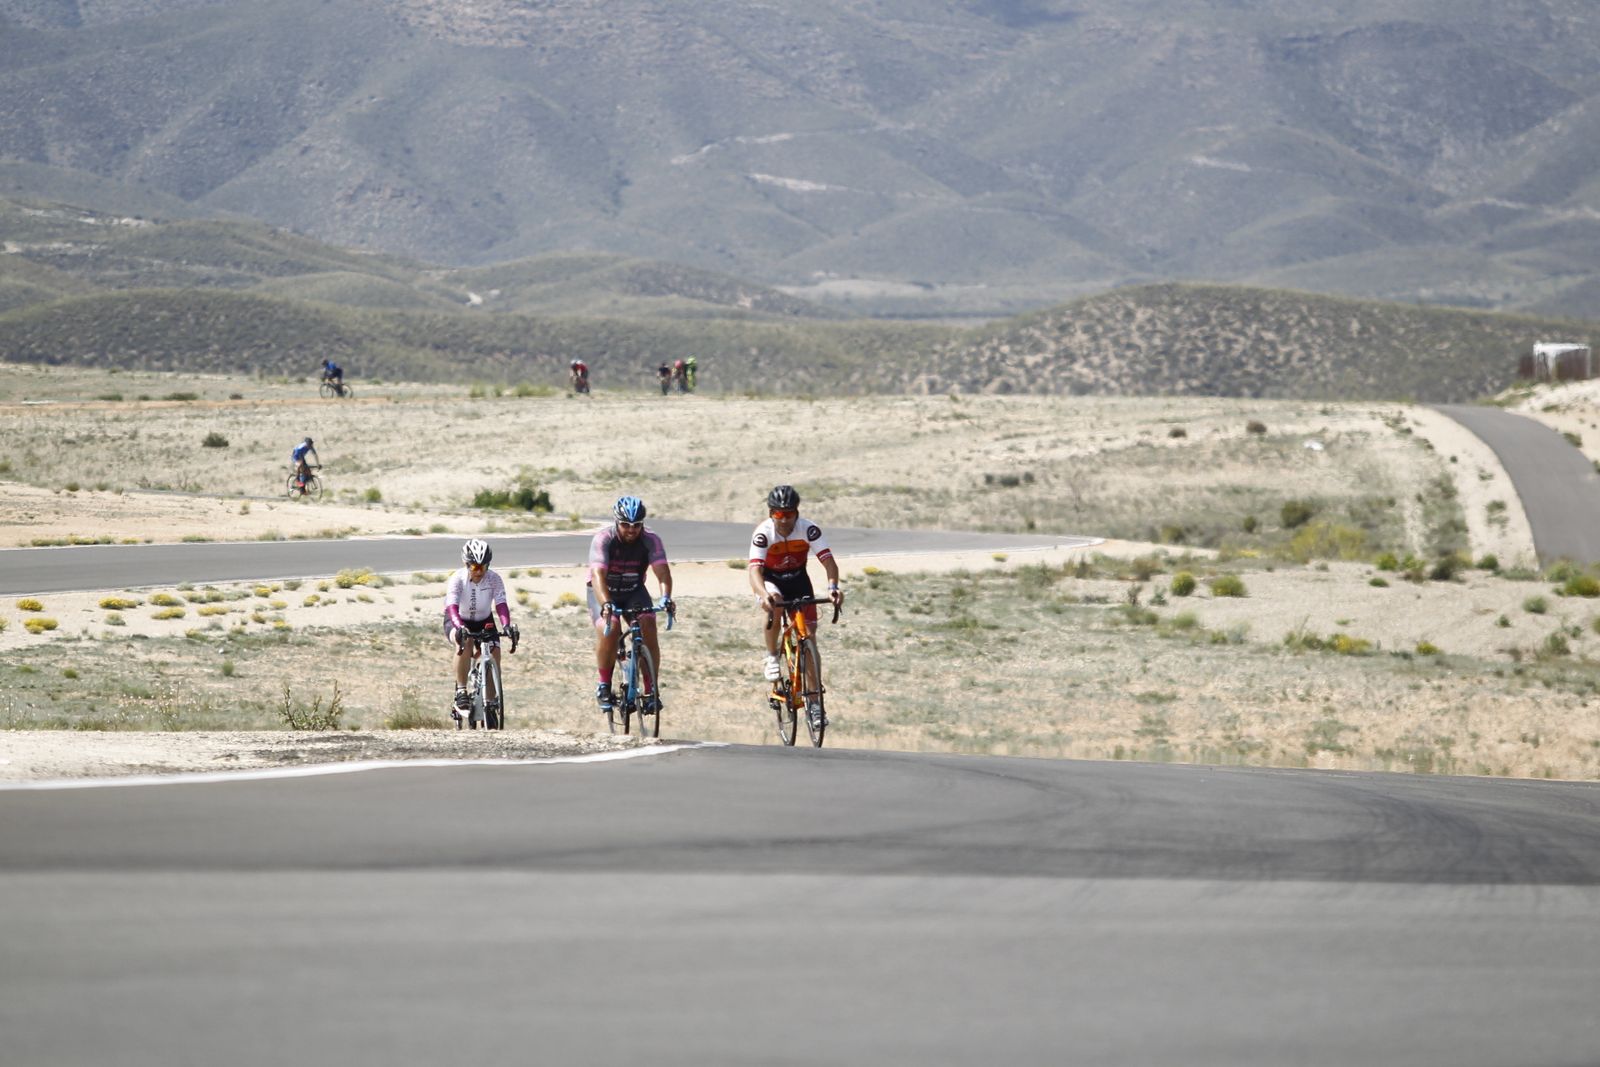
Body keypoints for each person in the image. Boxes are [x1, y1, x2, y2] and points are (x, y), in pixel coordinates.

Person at [748, 484, 842, 686]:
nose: (784, 519)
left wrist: (833, 588)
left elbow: (829, 562)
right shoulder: (763, 534)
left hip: (799, 580)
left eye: (789, 514)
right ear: (771, 514)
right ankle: (772, 655)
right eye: (779, 514)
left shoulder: (808, 529)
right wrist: (763, 594)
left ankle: (814, 699)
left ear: (796, 513)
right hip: (770, 580)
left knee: (809, 637)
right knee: (775, 602)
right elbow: (754, 571)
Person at [588, 495, 673, 715]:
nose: (631, 530)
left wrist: (666, 597)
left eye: (637, 525)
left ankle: (651, 690)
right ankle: (604, 685)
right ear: (617, 522)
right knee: (611, 627)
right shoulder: (603, 539)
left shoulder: (651, 540)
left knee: (648, 624)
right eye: (626, 524)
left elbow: (663, 572)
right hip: (603, 590)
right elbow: (597, 575)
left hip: (633, 590)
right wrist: (606, 604)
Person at [444, 538, 516, 721]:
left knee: (495, 651)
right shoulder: (457, 579)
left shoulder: (494, 579)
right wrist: (460, 627)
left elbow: (501, 605)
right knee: (465, 641)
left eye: (483, 567)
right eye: (475, 567)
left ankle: (489, 702)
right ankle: (461, 691)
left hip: (484, 620)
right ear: (466, 564)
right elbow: (451, 607)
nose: (479, 571)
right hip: (457, 619)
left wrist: (506, 625)